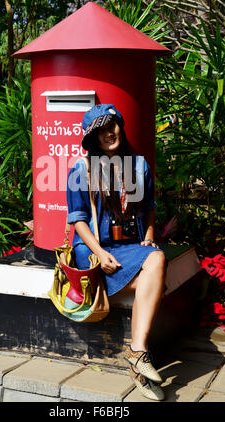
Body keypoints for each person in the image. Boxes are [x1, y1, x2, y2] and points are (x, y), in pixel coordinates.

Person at [66, 104, 167, 401]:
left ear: (120, 126)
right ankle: (138, 358)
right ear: (93, 139)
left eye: (112, 126)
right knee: (156, 275)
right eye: (100, 130)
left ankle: (137, 353)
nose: (108, 133)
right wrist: (99, 252)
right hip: (94, 250)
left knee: (157, 257)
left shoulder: (138, 166)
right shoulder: (81, 169)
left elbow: (149, 207)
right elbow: (78, 220)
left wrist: (149, 234)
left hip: (129, 247)